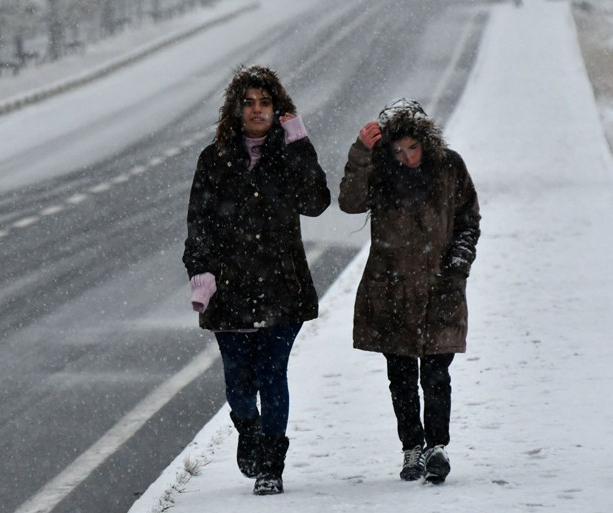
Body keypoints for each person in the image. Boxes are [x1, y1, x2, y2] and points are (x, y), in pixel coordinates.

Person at [182, 65, 331, 495]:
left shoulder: (288, 153)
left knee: (272, 374)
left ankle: (272, 465)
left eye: (265, 103)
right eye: (248, 103)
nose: (257, 110)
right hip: (229, 291)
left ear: (278, 108)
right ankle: (248, 428)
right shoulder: (214, 159)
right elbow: (199, 223)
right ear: (236, 109)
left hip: (282, 287)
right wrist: (200, 270)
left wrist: (299, 140)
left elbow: (316, 202)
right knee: (239, 384)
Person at [338, 98, 480, 484]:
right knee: (400, 377)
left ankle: (437, 446)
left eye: (413, 147)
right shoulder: (381, 173)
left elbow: (469, 219)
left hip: (441, 288)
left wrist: (458, 265)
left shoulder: (449, 167)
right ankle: (411, 447)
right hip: (392, 290)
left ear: (425, 142)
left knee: (436, 374)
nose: (407, 157)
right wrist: (362, 152)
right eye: (398, 150)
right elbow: (350, 201)